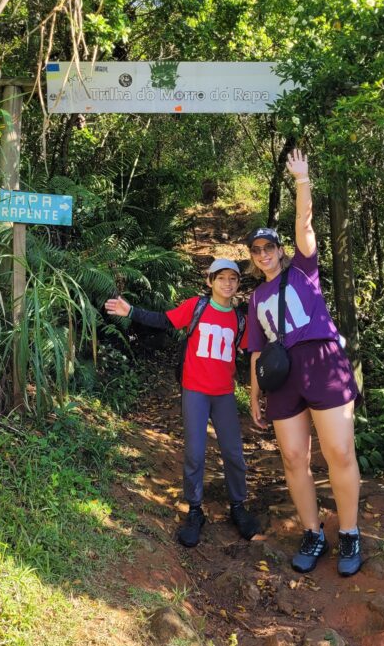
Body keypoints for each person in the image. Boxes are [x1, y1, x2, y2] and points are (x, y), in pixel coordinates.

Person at [247, 149, 362, 576]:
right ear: (253, 257)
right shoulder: (255, 298)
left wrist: (302, 180)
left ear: (281, 249)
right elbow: (257, 349)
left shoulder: (304, 270)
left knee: (338, 451)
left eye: (269, 246)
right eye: (256, 250)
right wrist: (254, 396)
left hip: (321, 361)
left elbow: (305, 225)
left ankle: (349, 533)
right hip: (282, 378)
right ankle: (313, 533)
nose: (264, 254)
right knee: (294, 457)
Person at [105, 258, 260, 548]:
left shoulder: (241, 319)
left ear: (238, 284)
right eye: (221, 278)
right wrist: (131, 311)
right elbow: (164, 320)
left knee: (234, 453)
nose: (227, 284)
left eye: (233, 279)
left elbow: (254, 351)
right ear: (210, 281)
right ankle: (196, 510)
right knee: (195, 453)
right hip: (195, 391)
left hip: (224, 394)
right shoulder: (196, 307)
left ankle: (238, 506)